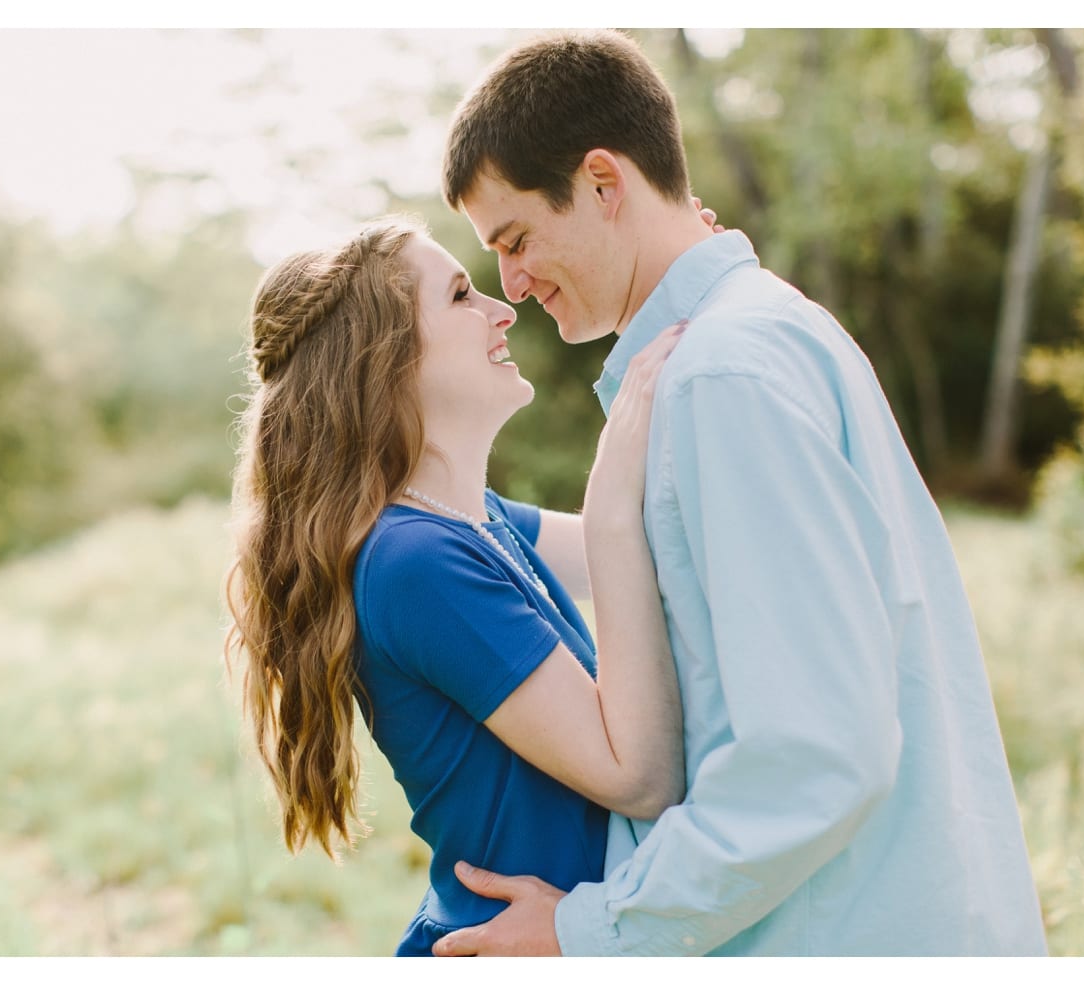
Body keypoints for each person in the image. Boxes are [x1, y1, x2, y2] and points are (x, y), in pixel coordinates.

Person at [431, 29, 1049, 957]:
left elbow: (814, 755)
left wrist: (590, 928)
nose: (510, 284)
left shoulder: (721, 376)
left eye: (516, 240)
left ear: (604, 183)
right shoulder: (760, 335)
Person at [224, 214, 691, 956]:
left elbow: (665, 552)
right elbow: (639, 776)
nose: (503, 310)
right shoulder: (414, 562)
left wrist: (682, 265)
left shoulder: (471, 520)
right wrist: (611, 480)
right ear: (387, 359)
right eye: (462, 295)